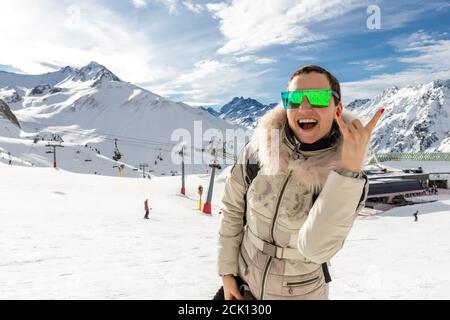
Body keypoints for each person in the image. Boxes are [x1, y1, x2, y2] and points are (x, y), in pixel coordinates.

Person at [216, 65, 382, 300]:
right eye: (293, 99)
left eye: (318, 97)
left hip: (299, 292)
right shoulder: (259, 150)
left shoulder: (349, 179)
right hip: (244, 283)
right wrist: (227, 273)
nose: (304, 107)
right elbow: (232, 210)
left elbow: (316, 248)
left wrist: (347, 172)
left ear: (338, 107)